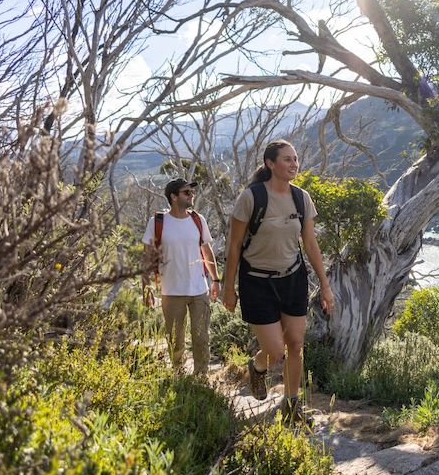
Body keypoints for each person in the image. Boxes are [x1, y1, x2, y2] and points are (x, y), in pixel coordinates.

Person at [222, 140, 334, 422]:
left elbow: (310, 243)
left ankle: (292, 407)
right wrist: (228, 288)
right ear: (270, 164)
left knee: (295, 345)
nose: (294, 164)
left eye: (295, 159)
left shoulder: (301, 198)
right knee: (274, 350)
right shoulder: (252, 197)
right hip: (256, 281)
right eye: (287, 159)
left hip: (292, 278)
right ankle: (258, 367)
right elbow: (234, 245)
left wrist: (325, 285)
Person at [141, 178, 219, 376]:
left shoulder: (198, 220)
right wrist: (146, 287)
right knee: (176, 341)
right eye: (186, 192)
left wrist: (216, 280)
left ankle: (201, 378)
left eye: (192, 192)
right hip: (172, 291)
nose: (191, 195)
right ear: (173, 197)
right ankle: (179, 376)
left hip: (199, 289)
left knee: (201, 338)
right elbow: (147, 256)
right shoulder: (158, 222)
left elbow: (207, 252)